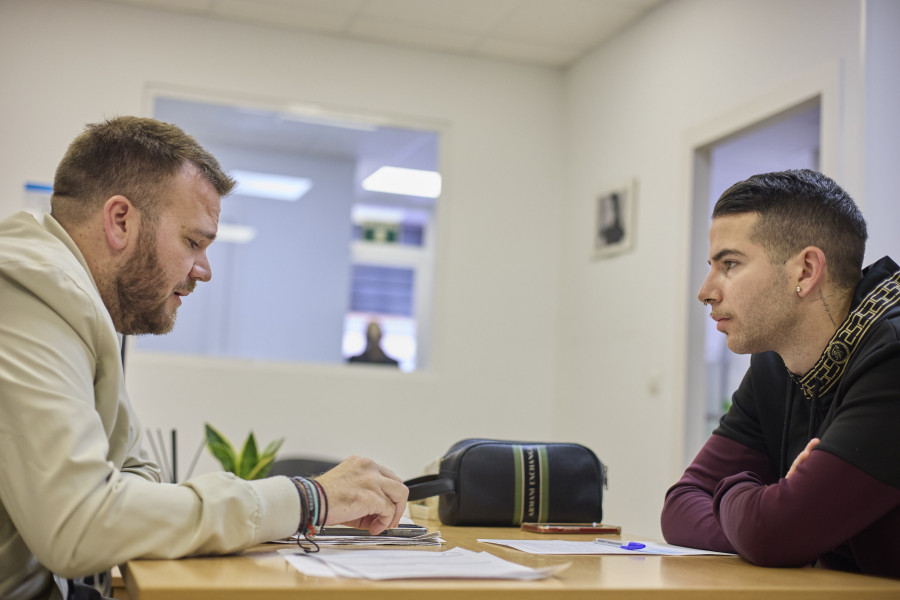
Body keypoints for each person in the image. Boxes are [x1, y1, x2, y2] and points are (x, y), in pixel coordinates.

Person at [0, 117, 409, 600]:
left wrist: (128, 508)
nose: (205, 271)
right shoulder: (28, 287)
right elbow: (83, 524)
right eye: (193, 241)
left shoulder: (81, 304)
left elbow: (138, 480)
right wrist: (306, 498)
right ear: (120, 221)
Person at [661, 169, 900, 578]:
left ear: (806, 271)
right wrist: (768, 506)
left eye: (730, 264)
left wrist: (737, 493)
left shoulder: (893, 352)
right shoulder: (777, 362)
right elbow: (681, 505)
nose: (705, 291)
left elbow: (774, 534)